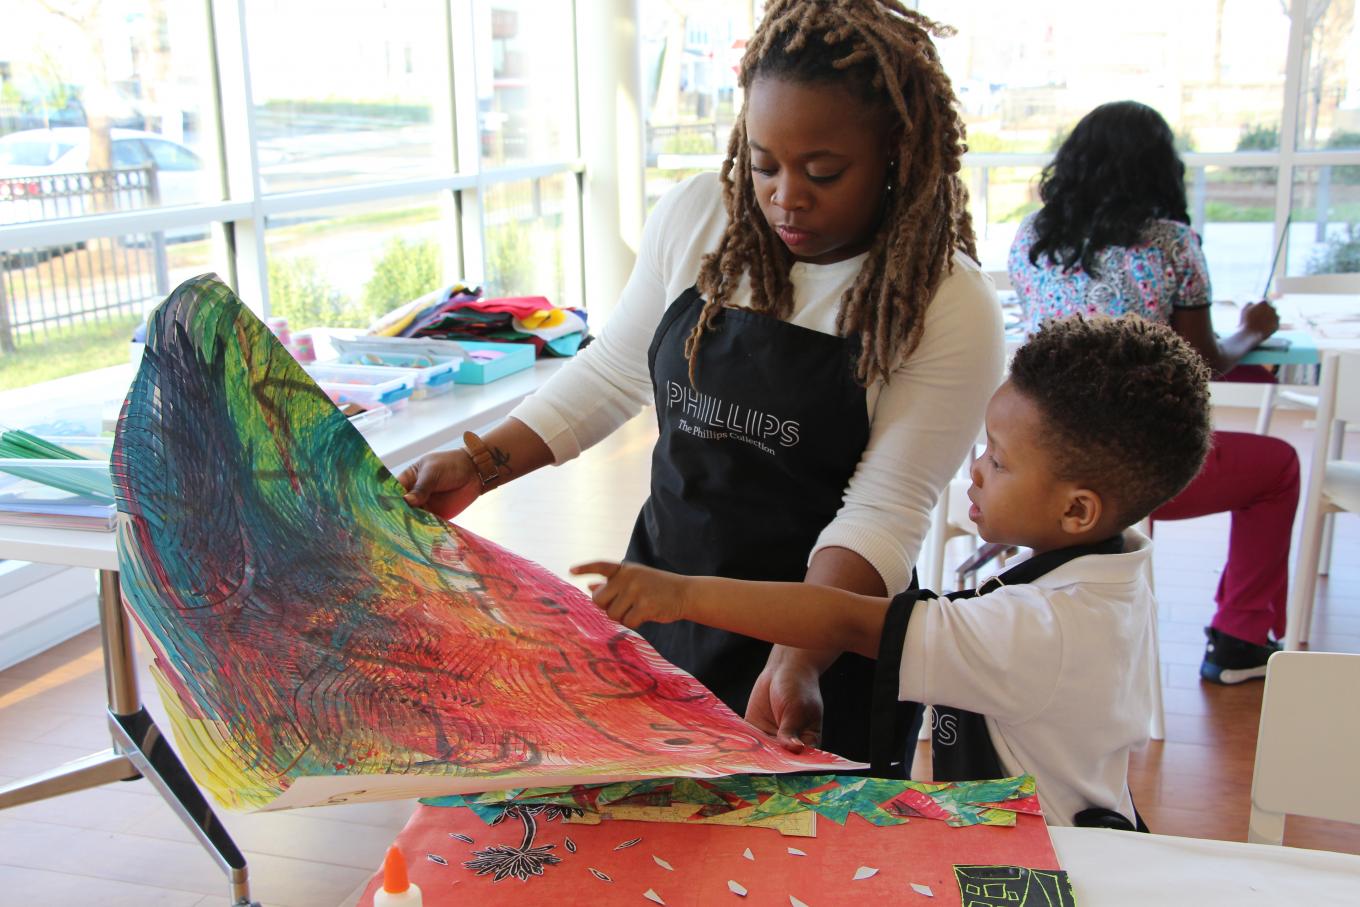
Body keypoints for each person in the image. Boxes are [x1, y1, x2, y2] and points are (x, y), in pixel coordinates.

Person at [398, 0, 1004, 770]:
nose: (786, 195)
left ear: (897, 151)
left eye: (823, 172)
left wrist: (796, 656)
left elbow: (883, 510)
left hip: (824, 643)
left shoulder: (946, 303)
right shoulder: (697, 220)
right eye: (763, 163)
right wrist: (481, 463)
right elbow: (614, 371)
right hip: (664, 597)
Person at [575, 316, 1211, 828]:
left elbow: (846, 618)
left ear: (1077, 510)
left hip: (1050, 861)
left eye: (1000, 458)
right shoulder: (1117, 567)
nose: (979, 467)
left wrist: (681, 592)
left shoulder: (1041, 629)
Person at [1008, 100, 1300, 685]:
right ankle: (1240, 639)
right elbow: (1204, 360)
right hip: (1132, 474)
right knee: (1279, 467)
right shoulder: (1172, 244)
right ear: (1159, 169)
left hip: (1035, 466)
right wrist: (1255, 329)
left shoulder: (1032, 237)